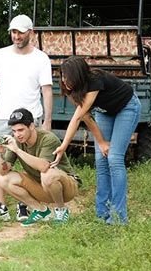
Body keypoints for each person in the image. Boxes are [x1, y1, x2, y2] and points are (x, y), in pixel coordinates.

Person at [53, 56, 140, 225]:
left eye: (68, 76)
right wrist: (101, 142)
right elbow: (86, 117)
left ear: (78, 75)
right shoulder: (71, 89)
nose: (64, 80)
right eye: (62, 76)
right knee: (101, 160)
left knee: (114, 158)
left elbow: (76, 118)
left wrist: (63, 146)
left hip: (127, 107)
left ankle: (118, 217)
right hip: (105, 112)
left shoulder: (95, 81)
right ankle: (102, 214)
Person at [0, 14, 53, 222]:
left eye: (21, 32)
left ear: (31, 33)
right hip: (3, 116)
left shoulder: (41, 58)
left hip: (31, 118)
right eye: (13, 32)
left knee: (28, 162)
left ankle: (24, 205)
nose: (16, 36)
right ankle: (1, 205)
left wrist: (47, 122)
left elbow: (47, 91)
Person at [0, 108, 79, 226]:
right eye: (14, 131)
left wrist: (17, 150)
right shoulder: (17, 141)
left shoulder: (48, 138)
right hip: (42, 186)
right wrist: (1, 154)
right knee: (3, 179)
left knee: (48, 174)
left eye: (20, 130)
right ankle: (40, 211)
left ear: (31, 126)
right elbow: (3, 172)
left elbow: (44, 167)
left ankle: (61, 210)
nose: (17, 135)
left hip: (66, 187)